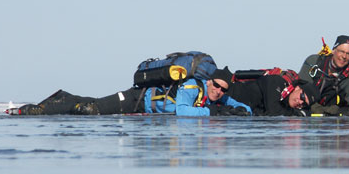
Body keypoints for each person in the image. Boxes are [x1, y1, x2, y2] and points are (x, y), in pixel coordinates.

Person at [13, 67, 252, 116]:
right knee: (90, 109)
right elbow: (182, 111)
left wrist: (242, 111)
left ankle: (61, 97)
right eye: (218, 86)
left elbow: (245, 108)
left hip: (141, 110)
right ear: (209, 82)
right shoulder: (191, 87)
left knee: (92, 104)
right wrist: (216, 115)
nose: (220, 92)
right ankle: (37, 110)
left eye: (224, 90)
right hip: (133, 100)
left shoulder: (218, 95)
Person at [298, 35, 349, 115]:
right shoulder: (314, 62)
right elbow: (299, 90)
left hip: (332, 118)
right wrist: (315, 107)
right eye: (341, 51)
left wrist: (337, 111)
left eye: (348, 54)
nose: (344, 56)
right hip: (304, 109)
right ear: (333, 50)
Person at [227, 73, 321, 116]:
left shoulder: (286, 103)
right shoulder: (276, 82)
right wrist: (297, 114)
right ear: (297, 88)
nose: (300, 102)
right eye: (302, 96)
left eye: (304, 103)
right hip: (226, 96)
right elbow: (274, 112)